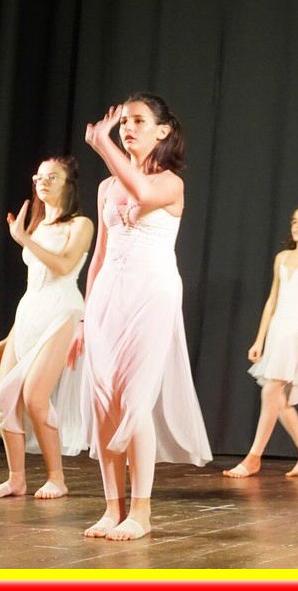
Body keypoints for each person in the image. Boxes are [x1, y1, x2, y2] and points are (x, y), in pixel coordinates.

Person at [70, 93, 212, 541]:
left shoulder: (170, 183)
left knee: (134, 400)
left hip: (152, 292)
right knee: (104, 402)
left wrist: (103, 143)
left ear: (162, 131)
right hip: (108, 295)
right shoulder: (105, 189)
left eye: (138, 121)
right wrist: (84, 318)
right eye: (124, 122)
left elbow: (143, 191)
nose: (128, 128)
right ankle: (112, 508)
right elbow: (100, 255)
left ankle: (141, 512)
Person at [0, 156, 93, 500]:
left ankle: (56, 477)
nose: (42, 181)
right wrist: (9, 338)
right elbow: (34, 287)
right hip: (30, 311)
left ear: (68, 184)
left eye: (51, 177)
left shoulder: (81, 224)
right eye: (39, 176)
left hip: (63, 311)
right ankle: (16, 479)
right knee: (5, 397)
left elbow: (64, 265)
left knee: (34, 396)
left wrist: (23, 239)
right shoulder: (38, 226)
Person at [223, 204, 298, 479]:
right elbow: (272, 300)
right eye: (294, 221)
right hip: (278, 329)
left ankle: (253, 457)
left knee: (271, 390)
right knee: (278, 397)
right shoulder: (282, 257)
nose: (297, 226)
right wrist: (259, 339)